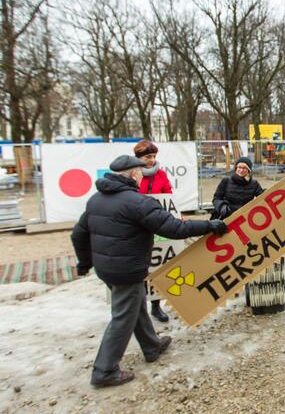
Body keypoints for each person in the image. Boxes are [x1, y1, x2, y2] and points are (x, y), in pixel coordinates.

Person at [71, 155, 227, 388]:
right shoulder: (137, 202)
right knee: (123, 316)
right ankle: (104, 370)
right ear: (134, 174)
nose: (143, 175)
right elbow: (175, 228)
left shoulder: (96, 200)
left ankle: (151, 345)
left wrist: (85, 263)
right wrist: (210, 226)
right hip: (127, 269)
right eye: (141, 172)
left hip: (106, 268)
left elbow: (78, 234)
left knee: (134, 305)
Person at [133, 139, 172, 323]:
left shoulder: (161, 175)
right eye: (148, 156)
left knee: (158, 264)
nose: (152, 159)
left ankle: (156, 306)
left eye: (154, 156)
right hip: (137, 226)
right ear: (139, 157)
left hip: (156, 224)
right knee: (140, 267)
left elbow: (169, 197)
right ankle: (137, 307)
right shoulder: (133, 175)